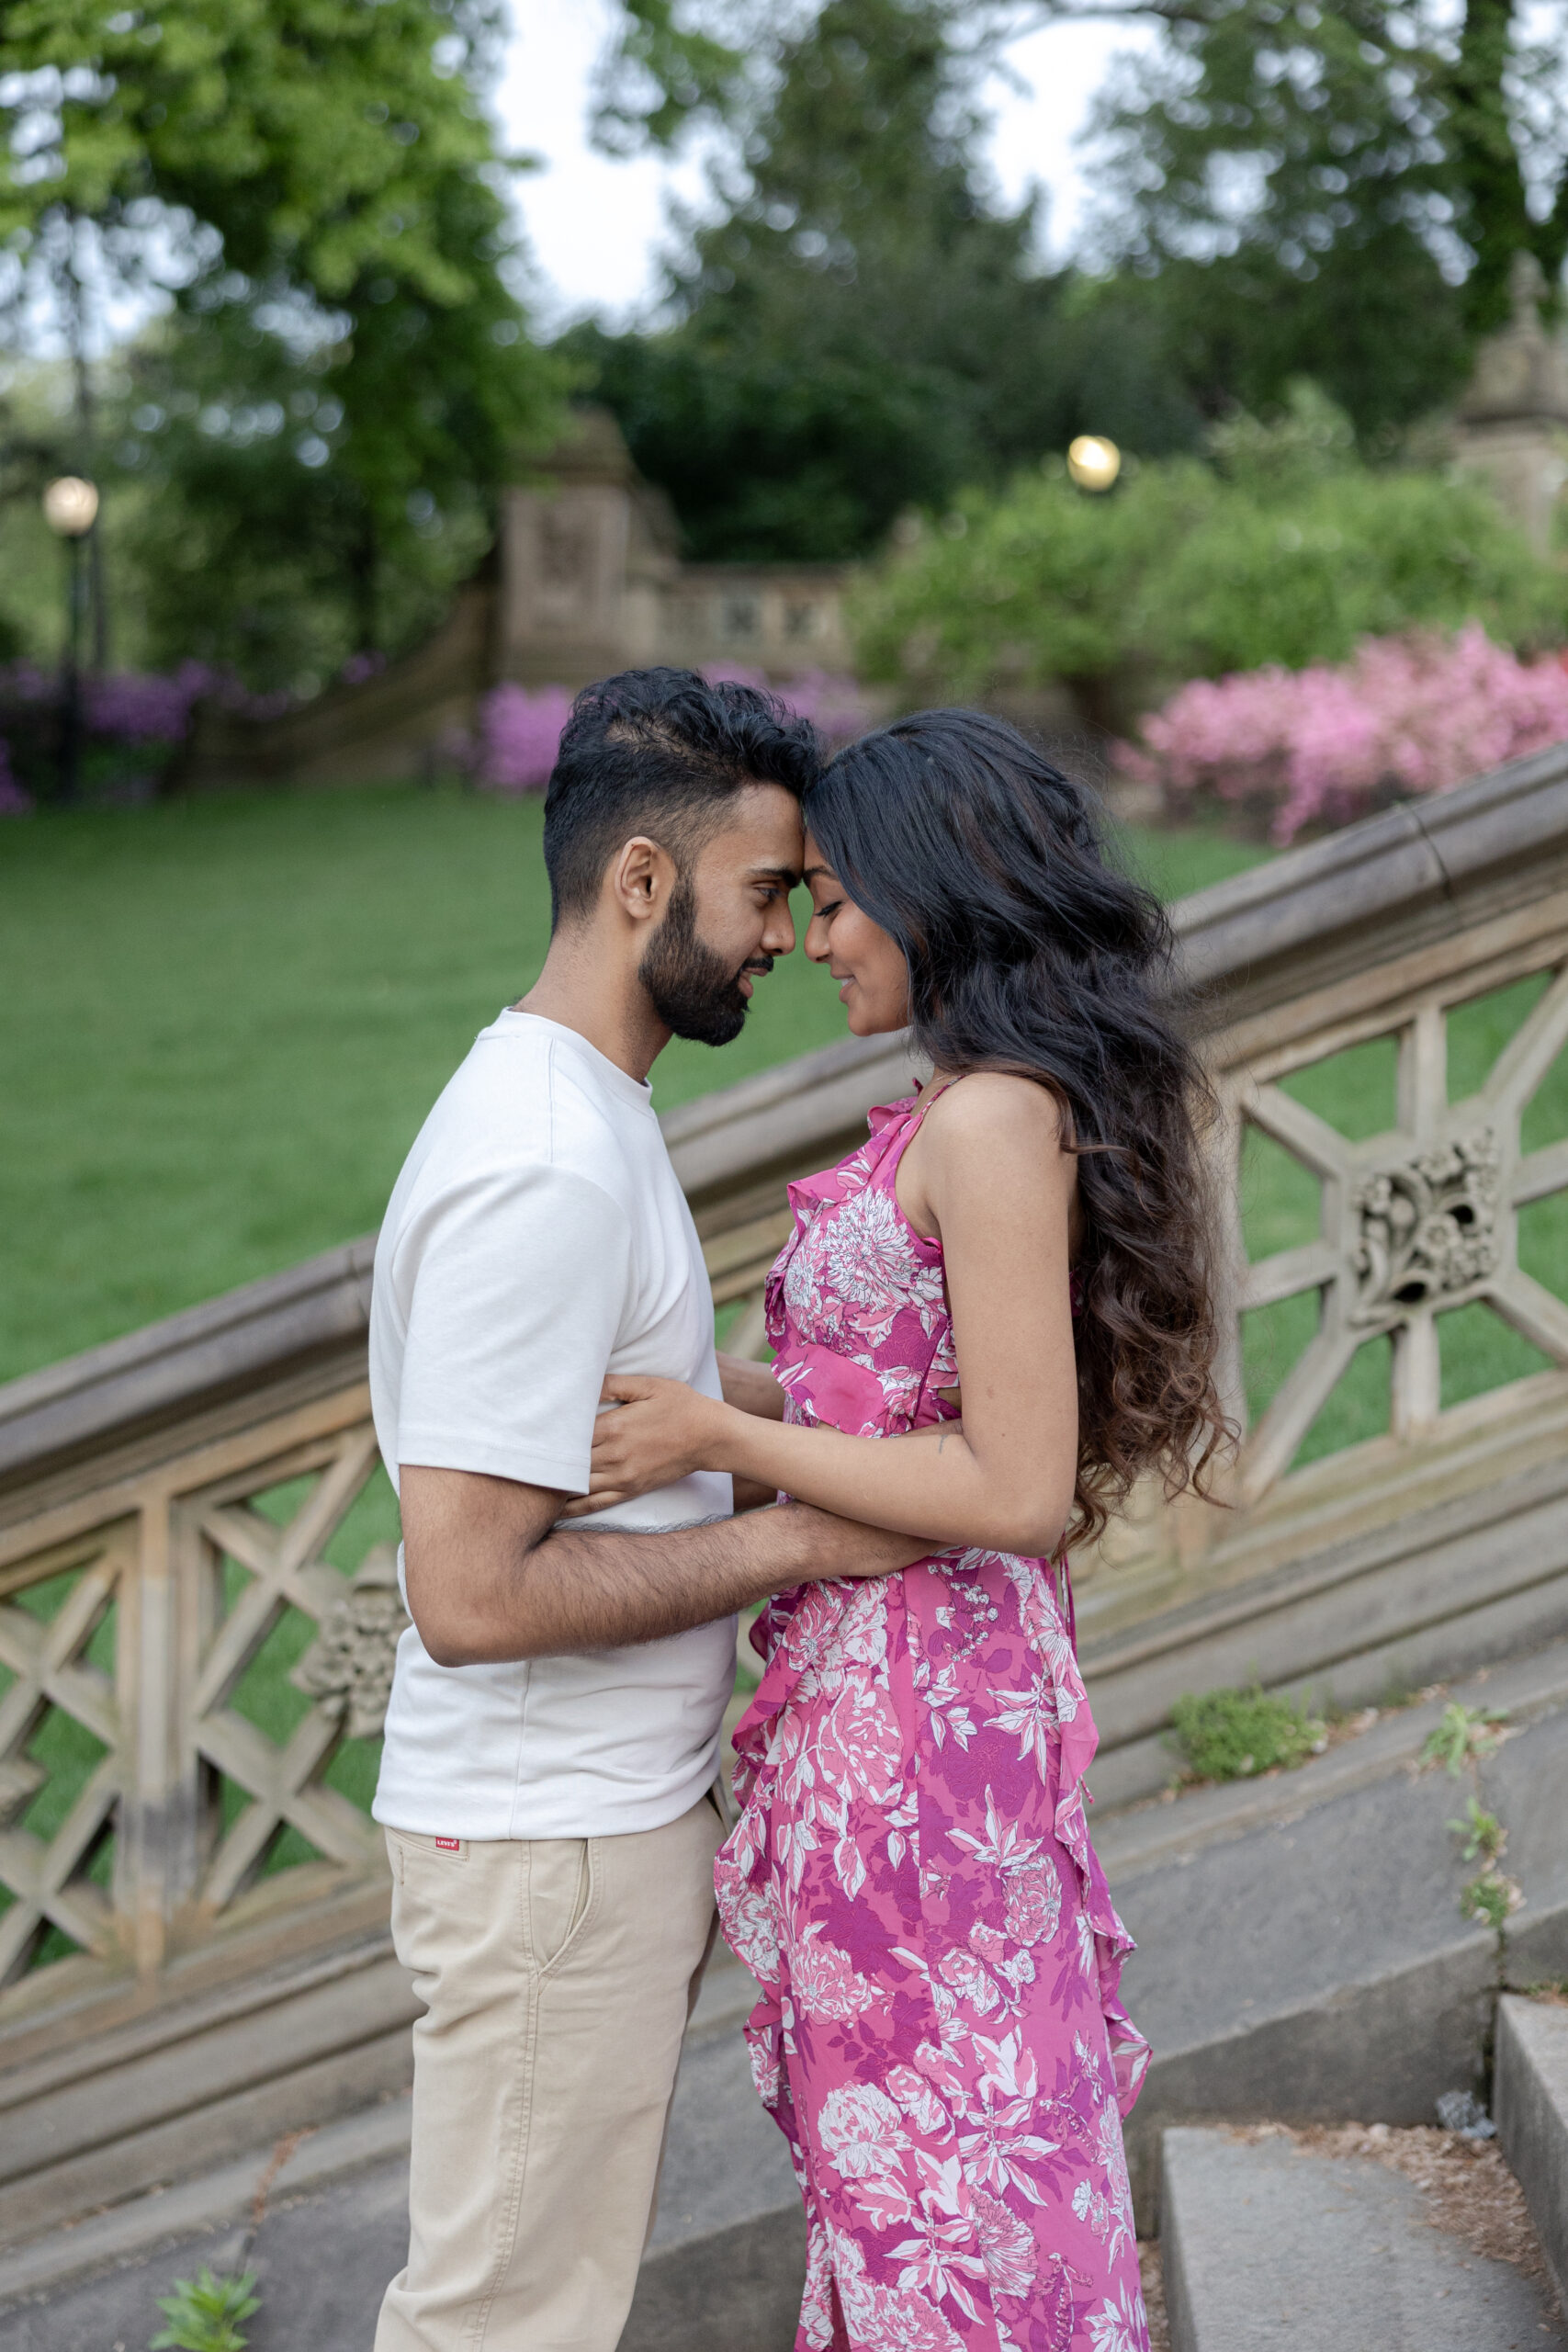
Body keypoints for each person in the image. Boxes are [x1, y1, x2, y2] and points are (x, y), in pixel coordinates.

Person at [584, 710, 1231, 2352]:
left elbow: (1014, 1482)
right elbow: (885, 1417)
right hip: (877, 1722)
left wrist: (724, 1432)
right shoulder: (957, 1106)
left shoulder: (994, 1119)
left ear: (932, 893)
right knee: (913, 2190)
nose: (809, 940)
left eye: (833, 899)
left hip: (932, 1744)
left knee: (968, 2184)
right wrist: (689, 1390)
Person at [367, 667, 925, 2352]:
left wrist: (831, 1429)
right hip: (554, 1849)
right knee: (502, 2325)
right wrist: (809, 1538)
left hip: (589, 1833)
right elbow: (469, 1599)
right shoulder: (541, 1161)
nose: (787, 933)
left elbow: (622, 1419)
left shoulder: (588, 1115)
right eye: (766, 889)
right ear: (639, 884)